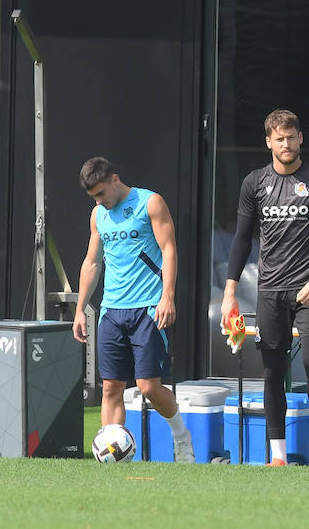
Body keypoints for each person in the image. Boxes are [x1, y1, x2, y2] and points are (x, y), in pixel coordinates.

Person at [221, 109, 309, 467]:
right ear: (269, 142)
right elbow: (242, 240)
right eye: (279, 138)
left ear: (300, 138)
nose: (285, 144)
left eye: (291, 137)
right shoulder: (254, 183)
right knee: (272, 373)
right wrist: (229, 293)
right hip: (270, 290)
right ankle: (277, 457)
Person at [72, 158, 192, 463]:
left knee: (148, 386)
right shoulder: (98, 214)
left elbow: (169, 249)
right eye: (94, 197)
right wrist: (80, 309)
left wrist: (168, 296)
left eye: (101, 193)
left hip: (148, 308)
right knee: (111, 386)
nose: (99, 201)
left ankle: (181, 439)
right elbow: (92, 261)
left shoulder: (150, 202)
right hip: (112, 310)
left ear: (115, 179)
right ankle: (112, 457)